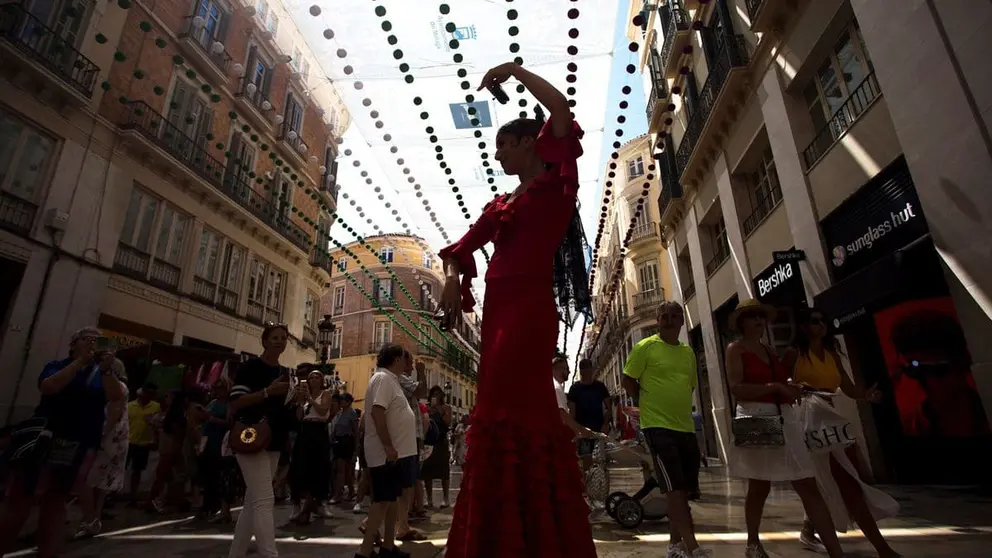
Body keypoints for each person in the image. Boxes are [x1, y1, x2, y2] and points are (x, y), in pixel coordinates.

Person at [437, 61, 596, 557]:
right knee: (498, 406)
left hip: (529, 307)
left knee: (518, 408)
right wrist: (451, 280)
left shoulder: (557, 185)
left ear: (531, 142)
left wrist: (516, 70)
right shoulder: (498, 205)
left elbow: (562, 109)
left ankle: (534, 536)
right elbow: (460, 249)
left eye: (505, 143)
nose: (498, 151)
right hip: (499, 307)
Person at [724, 299, 844, 558]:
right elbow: (737, 388)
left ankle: (836, 551)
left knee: (806, 482)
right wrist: (775, 387)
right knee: (759, 485)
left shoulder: (768, 350)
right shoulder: (735, 349)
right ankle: (752, 543)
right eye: (752, 316)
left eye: (761, 316)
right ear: (742, 322)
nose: (758, 320)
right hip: (754, 417)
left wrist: (790, 388)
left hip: (785, 417)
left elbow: (779, 383)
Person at [785, 307, 901, 557]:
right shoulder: (795, 354)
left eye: (824, 321)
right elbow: (779, 383)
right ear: (804, 325)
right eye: (815, 321)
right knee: (827, 479)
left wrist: (866, 395)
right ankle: (880, 547)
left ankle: (879, 546)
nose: (821, 325)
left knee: (844, 478)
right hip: (806, 420)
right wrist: (794, 388)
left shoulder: (831, 354)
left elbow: (847, 387)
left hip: (829, 419)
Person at [0, 327, 125, 558]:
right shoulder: (58, 365)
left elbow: (116, 396)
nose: (93, 345)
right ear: (73, 344)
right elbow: (49, 386)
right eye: (87, 340)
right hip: (46, 440)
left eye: (99, 342)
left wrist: (107, 369)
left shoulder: (101, 374)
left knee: (56, 502)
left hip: (77, 444)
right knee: (21, 499)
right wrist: (79, 362)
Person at [621, 302, 709, 558]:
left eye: (674, 317)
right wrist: (646, 404)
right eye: (664, 317)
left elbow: (691, 385)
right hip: (657, 427)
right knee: (673, 490)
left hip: (685, 427)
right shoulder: (644, 347)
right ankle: (693, 548)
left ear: (682, 321)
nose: (669, 321)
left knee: (682, 491)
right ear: (658, 322)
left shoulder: (688, 353)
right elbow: (628, 379)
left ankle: (674, 546)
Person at [227, 323, 293, 558]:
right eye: (274, 337)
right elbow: (235, 402)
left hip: (274, 440)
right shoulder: (250, 368)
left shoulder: (286, 373)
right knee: (264, 499)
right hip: (250, 437)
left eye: (283, 338)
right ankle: (270, 554)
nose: (279, 341)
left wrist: (296, 401)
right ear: (264, 341)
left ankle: (235, 554)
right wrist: (267, 392)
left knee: (252, 501)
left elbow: (285, 411)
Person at [356, 344, 418, 558]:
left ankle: (388, 547)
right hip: (385, 454)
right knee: (381, 502)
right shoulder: (383, 379)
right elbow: (377, 412)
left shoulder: (391, 380)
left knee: (390, 500)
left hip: (394, 455)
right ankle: (364, 552)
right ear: (396, 359)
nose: (406, 363)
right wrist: (388, 446)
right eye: (403, 358)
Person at [76, 356, 130, 537]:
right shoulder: (109, 386)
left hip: (105, 439)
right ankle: (94, 518)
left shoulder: (116, 387)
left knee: (86, 478)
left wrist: (102, 434)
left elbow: (114, 413)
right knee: (99, 481)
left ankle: (89, 519)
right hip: (112, 439)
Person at [289, 369, 333, 524]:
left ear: (321, 380)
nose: (314, 380)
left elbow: (323, 411)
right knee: (300, 466)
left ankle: (321, 502)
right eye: (311, 377)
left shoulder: (325, 394)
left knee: (321, 466)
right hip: (305, 431)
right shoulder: (303, 396)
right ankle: (296, 503)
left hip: (319, 430)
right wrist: (301, 402)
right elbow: (299, 417)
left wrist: (311, 399)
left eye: (317, 377)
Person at [568, 358, 612, 472]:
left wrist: (606, 424)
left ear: (592, 370)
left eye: (588, 371)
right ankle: (589, 484)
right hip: (583, 431)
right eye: (584, 372)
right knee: (587, 460)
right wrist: (575, 431)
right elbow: (572, 412)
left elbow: (609, 407)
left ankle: (600, 484)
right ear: (581, 372)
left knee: (601, 459)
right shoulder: (575, 389)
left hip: (599, 430)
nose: (587, 374)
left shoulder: (600, 387)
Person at [126, 381, 160, 504]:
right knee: (120, 469)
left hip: (144, 444)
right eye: (148, 393)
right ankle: (110, 495)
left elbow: (159, 425)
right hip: (128, 441)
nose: (149, 396)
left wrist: (155, 438)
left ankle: (132, 496)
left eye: (152, 394)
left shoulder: (156, 407)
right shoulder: (129, 406)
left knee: (137, 470)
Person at [420, 386, 452, 509]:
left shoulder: (446, 408)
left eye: (438, 393)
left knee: (444, 471)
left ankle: (446, 498)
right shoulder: (427, 408)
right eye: (434, 393)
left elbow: (447, 422)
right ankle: (429, 499)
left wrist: (439, 411)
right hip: (429, 441)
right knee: (427, 471)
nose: (436, 395)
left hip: (441, 441)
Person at [552, 356, 595, 438]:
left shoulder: (554, 386)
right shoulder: (557, 388)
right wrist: (581, 430)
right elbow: (562, 414)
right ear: (557, 369)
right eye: (566, 368)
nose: (569, 372)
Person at [331, 393, 359, 504]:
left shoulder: (352, 414)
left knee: (343, 470)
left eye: (343, 400)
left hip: (347, 442)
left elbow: (356, 432)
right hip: (338, 441)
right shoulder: (339, 413)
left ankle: (338, 494)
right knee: (342, 469)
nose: (341, 402)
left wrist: (356, 449)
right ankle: (350, 491)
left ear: (348, 401)